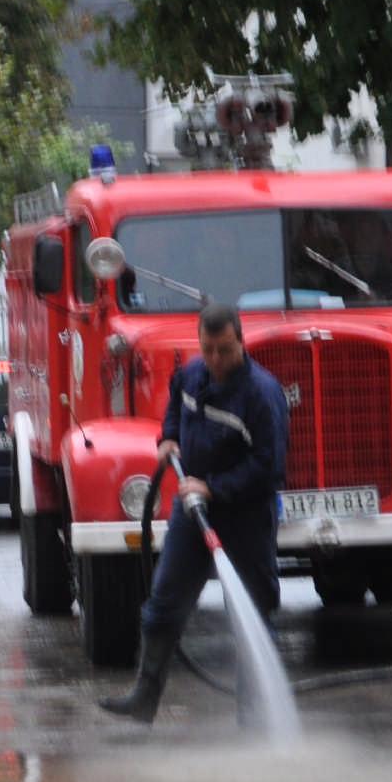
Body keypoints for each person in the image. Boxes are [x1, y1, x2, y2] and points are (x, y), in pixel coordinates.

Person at [101, 302, 289, 723]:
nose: (217, 360)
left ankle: (254, 720)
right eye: (208, 350)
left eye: (225, 350)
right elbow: (175, 406)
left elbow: (269, 467)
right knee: (163, 604)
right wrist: (169, 437)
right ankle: (144, 699)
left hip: (244, 519)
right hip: (193, 510)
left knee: (251, 617)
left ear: (241, 341)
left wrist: (214, 488)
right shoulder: (191, 376)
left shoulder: (262, 395)